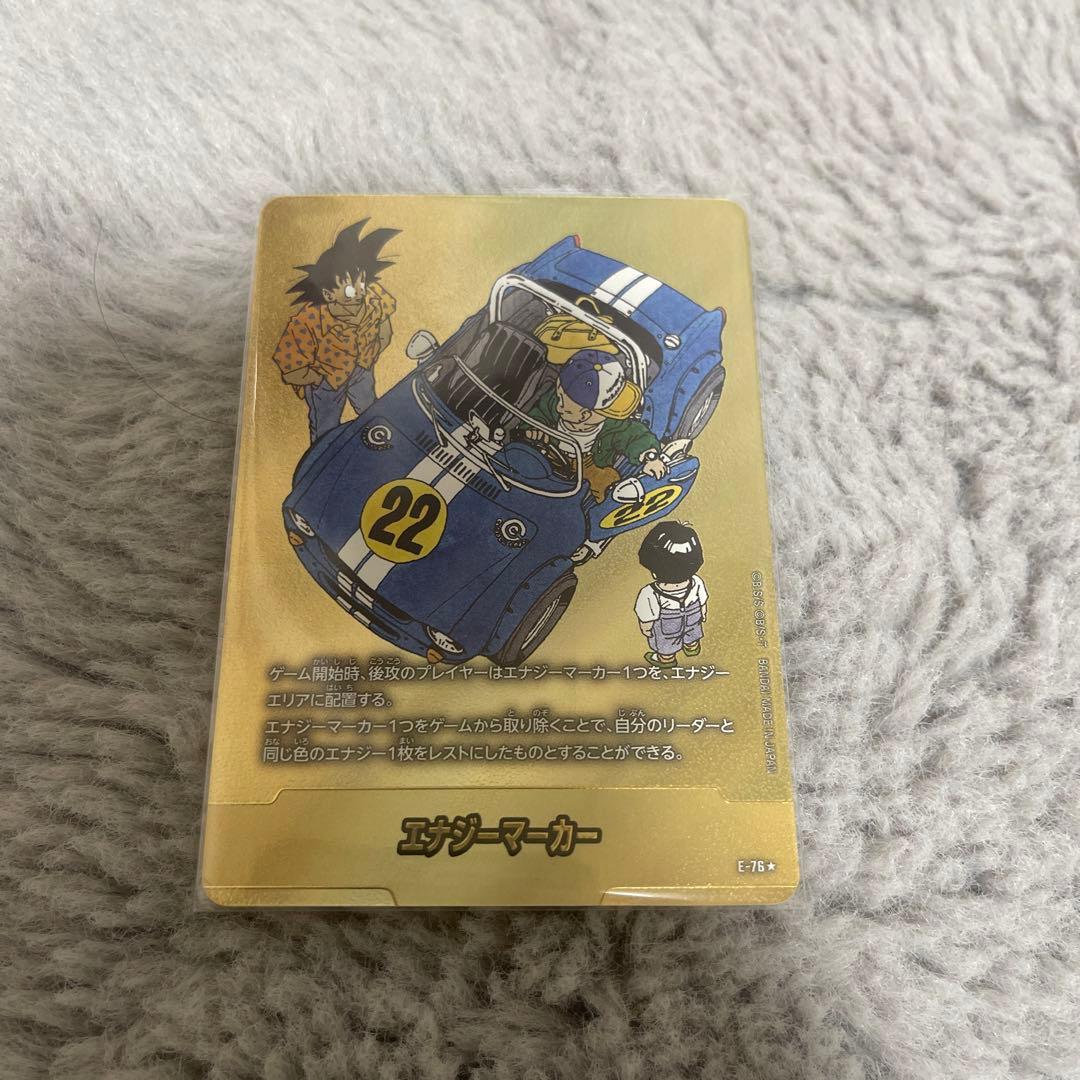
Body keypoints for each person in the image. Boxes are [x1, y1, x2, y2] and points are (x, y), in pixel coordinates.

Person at [272, 219, 399, 443]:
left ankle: (381, 443)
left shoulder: (372, 297)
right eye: (349, 290)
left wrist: (375, 348)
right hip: (327, 382)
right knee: (326, 427)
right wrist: (315, 377)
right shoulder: (310, 320)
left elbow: (384, 319)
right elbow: (290, 361)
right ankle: (323, 458)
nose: (358, 293)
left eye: (361, 285)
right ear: (329, 294)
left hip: (362, 369)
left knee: (370, 408)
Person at [524, 349, 667, 501]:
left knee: (606, 481)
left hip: (589, 467)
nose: (559, 407)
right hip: (547, 456)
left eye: (565, 406)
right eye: (560, 397)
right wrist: (533, 430)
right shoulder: (552, 402)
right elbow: (537, 415)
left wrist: (650, 457)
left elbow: (635, 435)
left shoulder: (614, 426)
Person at [635, 521, 708, 668]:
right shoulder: (696, 581)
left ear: (654, 570)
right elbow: (702, 601)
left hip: (668, 627)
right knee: (692, 633)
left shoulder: (650, 593)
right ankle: (692, 647)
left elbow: (647, 617)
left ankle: (667, 660)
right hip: (692, 619)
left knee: (666, 644)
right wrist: (703, 613)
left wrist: (646, 628)